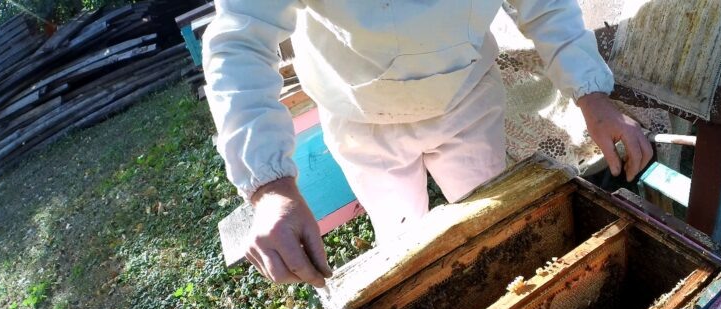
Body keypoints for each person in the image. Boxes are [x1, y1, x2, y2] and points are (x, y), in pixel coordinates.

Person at [203, 0, 652, 288]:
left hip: (467, 98)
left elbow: (544, 4)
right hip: (362, 115)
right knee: (406, 251)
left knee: (498, 230)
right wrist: (270, 186)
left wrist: (591, 94)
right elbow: (241, 39)